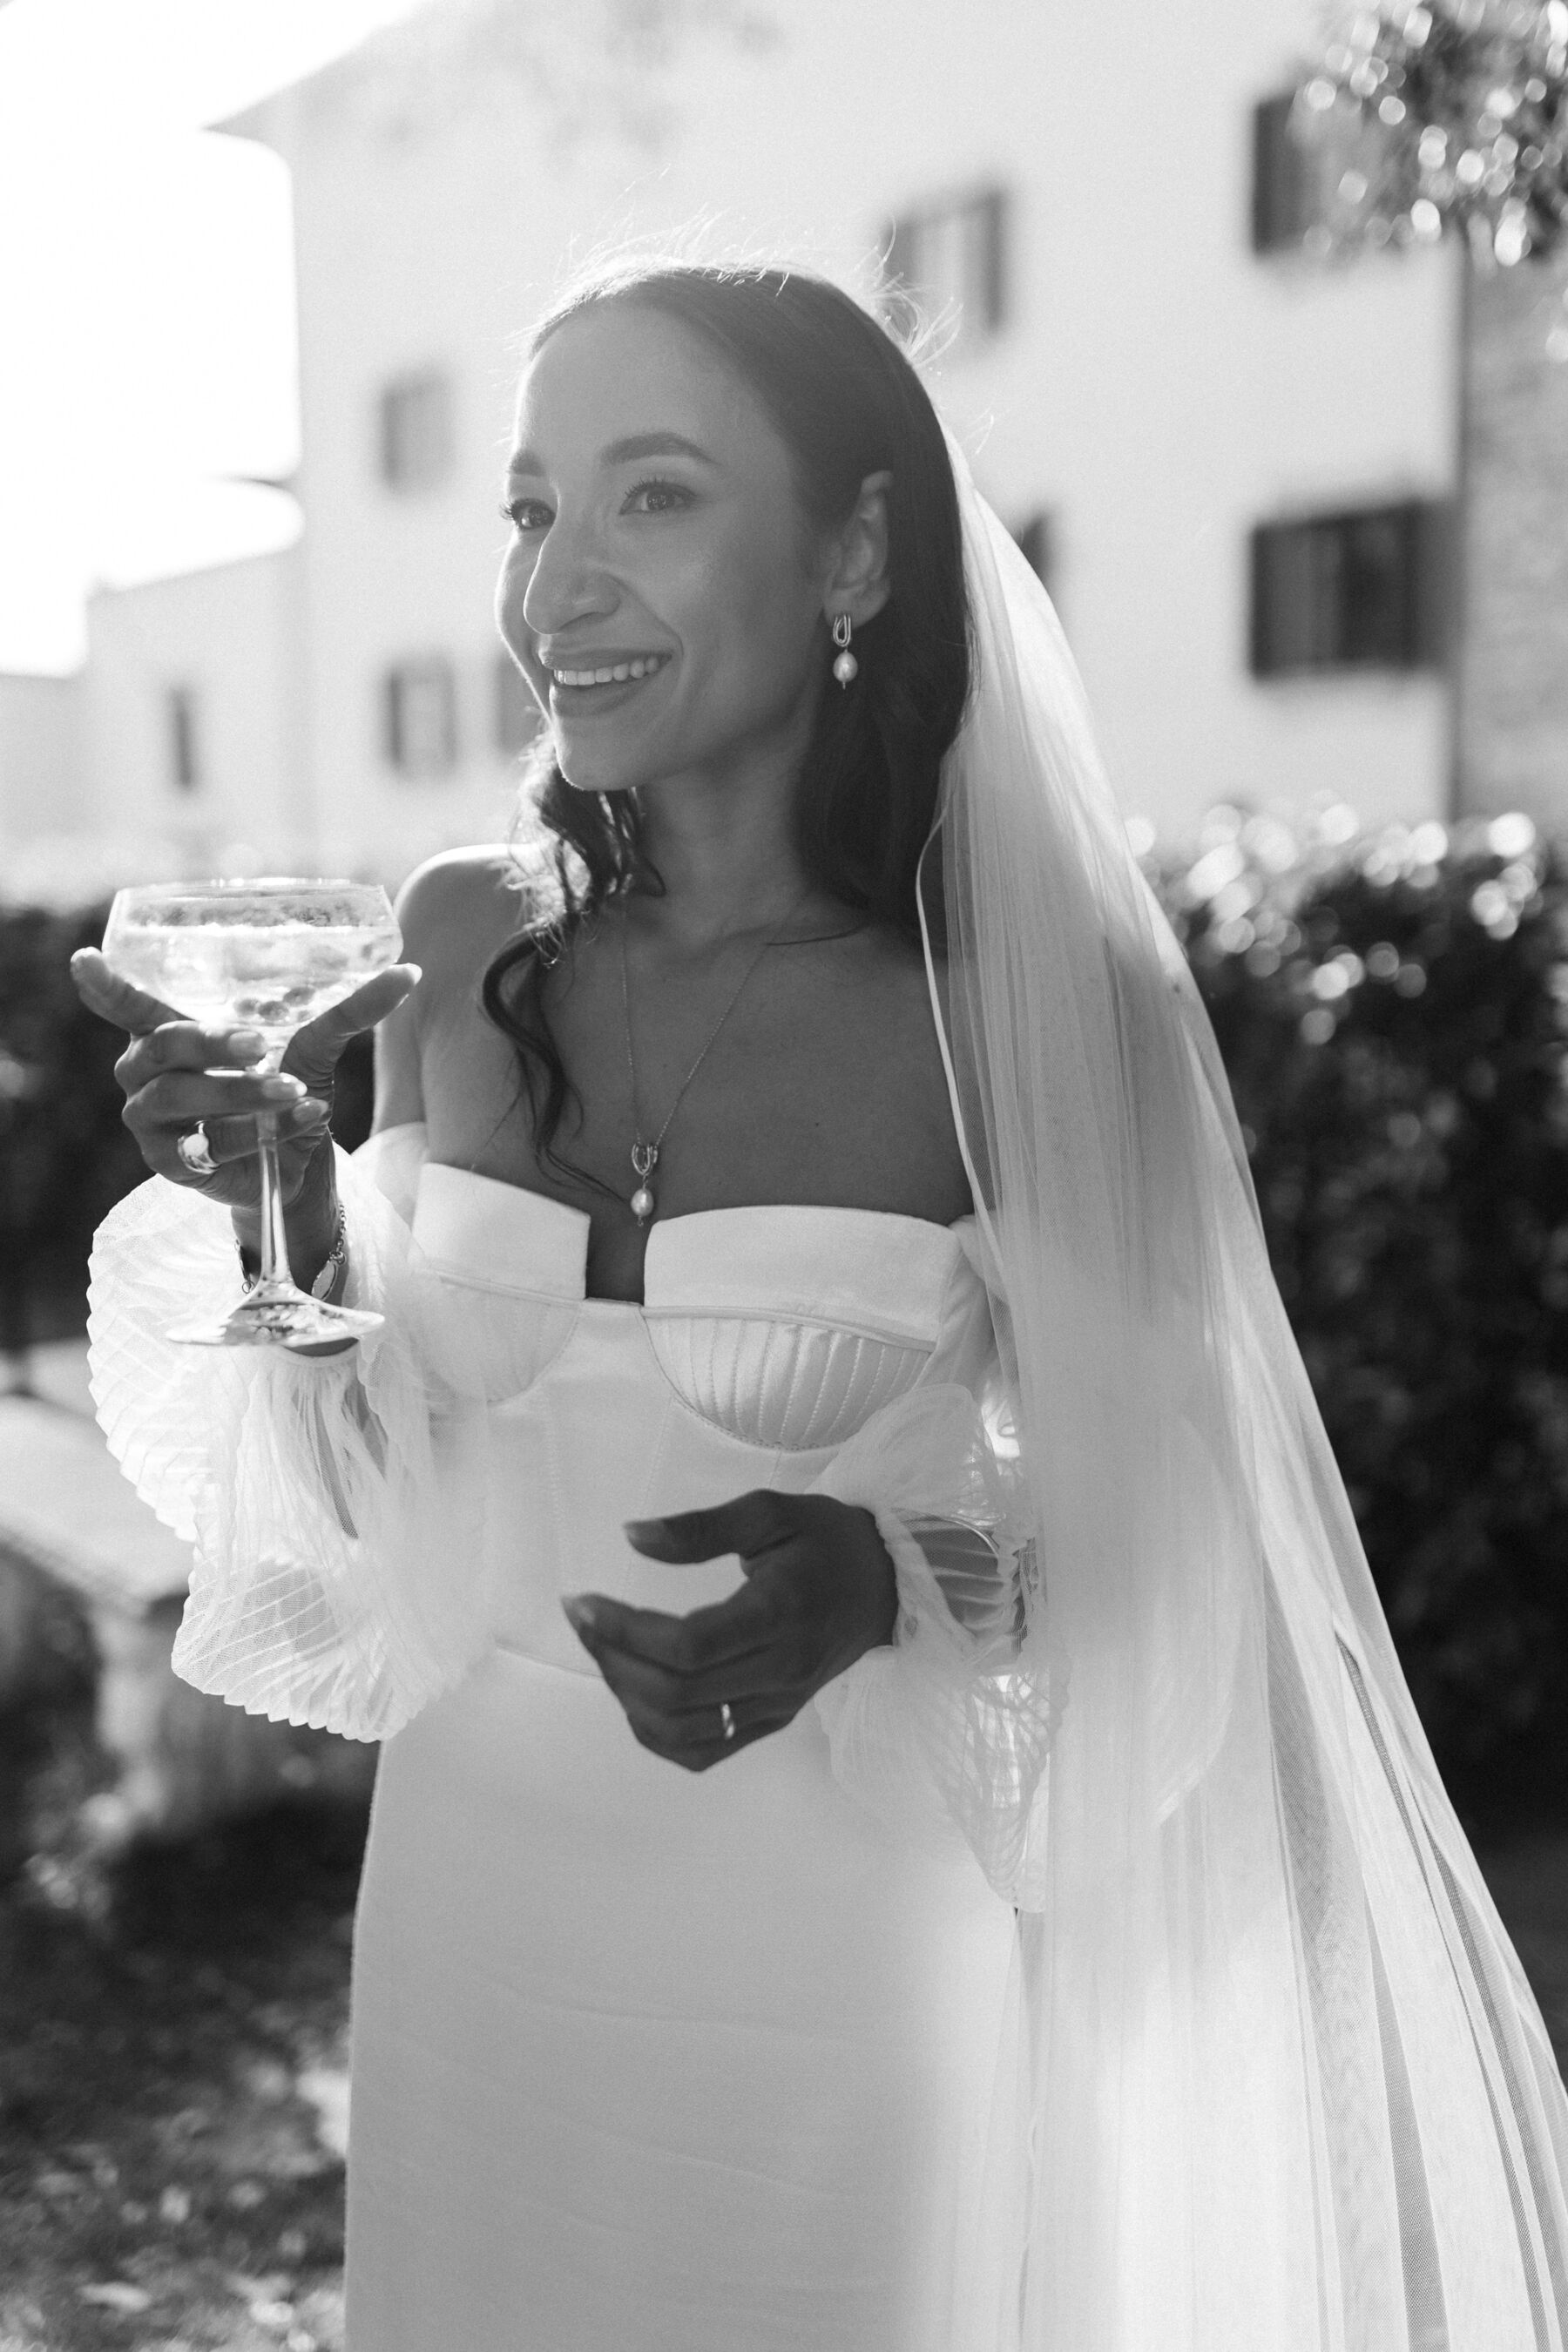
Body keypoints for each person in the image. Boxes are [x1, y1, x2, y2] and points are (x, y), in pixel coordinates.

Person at [75, 260, 1568, 2352]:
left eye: (652, 497)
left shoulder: (1024, 1020)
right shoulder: (451, 940)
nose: (558, 587)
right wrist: (282, 1226)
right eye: (528, 510)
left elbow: (1167, 1550)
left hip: (836, 1959)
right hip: (476, 1911)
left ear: (854, 549)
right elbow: (370, 1476)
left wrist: (883, 1579)